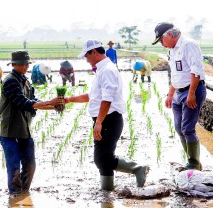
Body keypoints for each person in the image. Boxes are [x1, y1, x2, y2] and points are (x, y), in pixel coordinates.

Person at [62, 39, 149, 191]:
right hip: (104, 119)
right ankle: (107, 191)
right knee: (103, 158)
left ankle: (137, 169)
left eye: (86, 56)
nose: (86, 59)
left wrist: (99, 122)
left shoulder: (107, 70)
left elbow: (107, 99)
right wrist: (70, 99)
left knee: (102, 158)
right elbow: (93, 96)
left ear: (94, 52)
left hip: (109, 119)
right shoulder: (102, 70)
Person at [0, 51, 60, 194]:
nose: (26, 66)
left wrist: (53, 106)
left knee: (30, 165)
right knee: (14, 167)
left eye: (27, 63)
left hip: (24, 130)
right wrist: (49, 102)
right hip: (10, 132)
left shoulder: (25, 80)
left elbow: (34, 99)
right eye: (22, 64)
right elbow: (24, 102)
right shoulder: (10, 82)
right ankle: (14, 194)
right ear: (14, 65)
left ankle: (24, 194)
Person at [152, 22, 206, 171]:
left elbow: (196, 71)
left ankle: (194, 163)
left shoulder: (188, 45)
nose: (161, 44)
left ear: (169, 34)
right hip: (178, 93)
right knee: (178, 127)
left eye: (161, 40)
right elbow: (176, 74)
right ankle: (192, 161)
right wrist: (170, 94)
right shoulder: (173, 50)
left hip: (191, 91)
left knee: (187, 128)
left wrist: (191, 94)